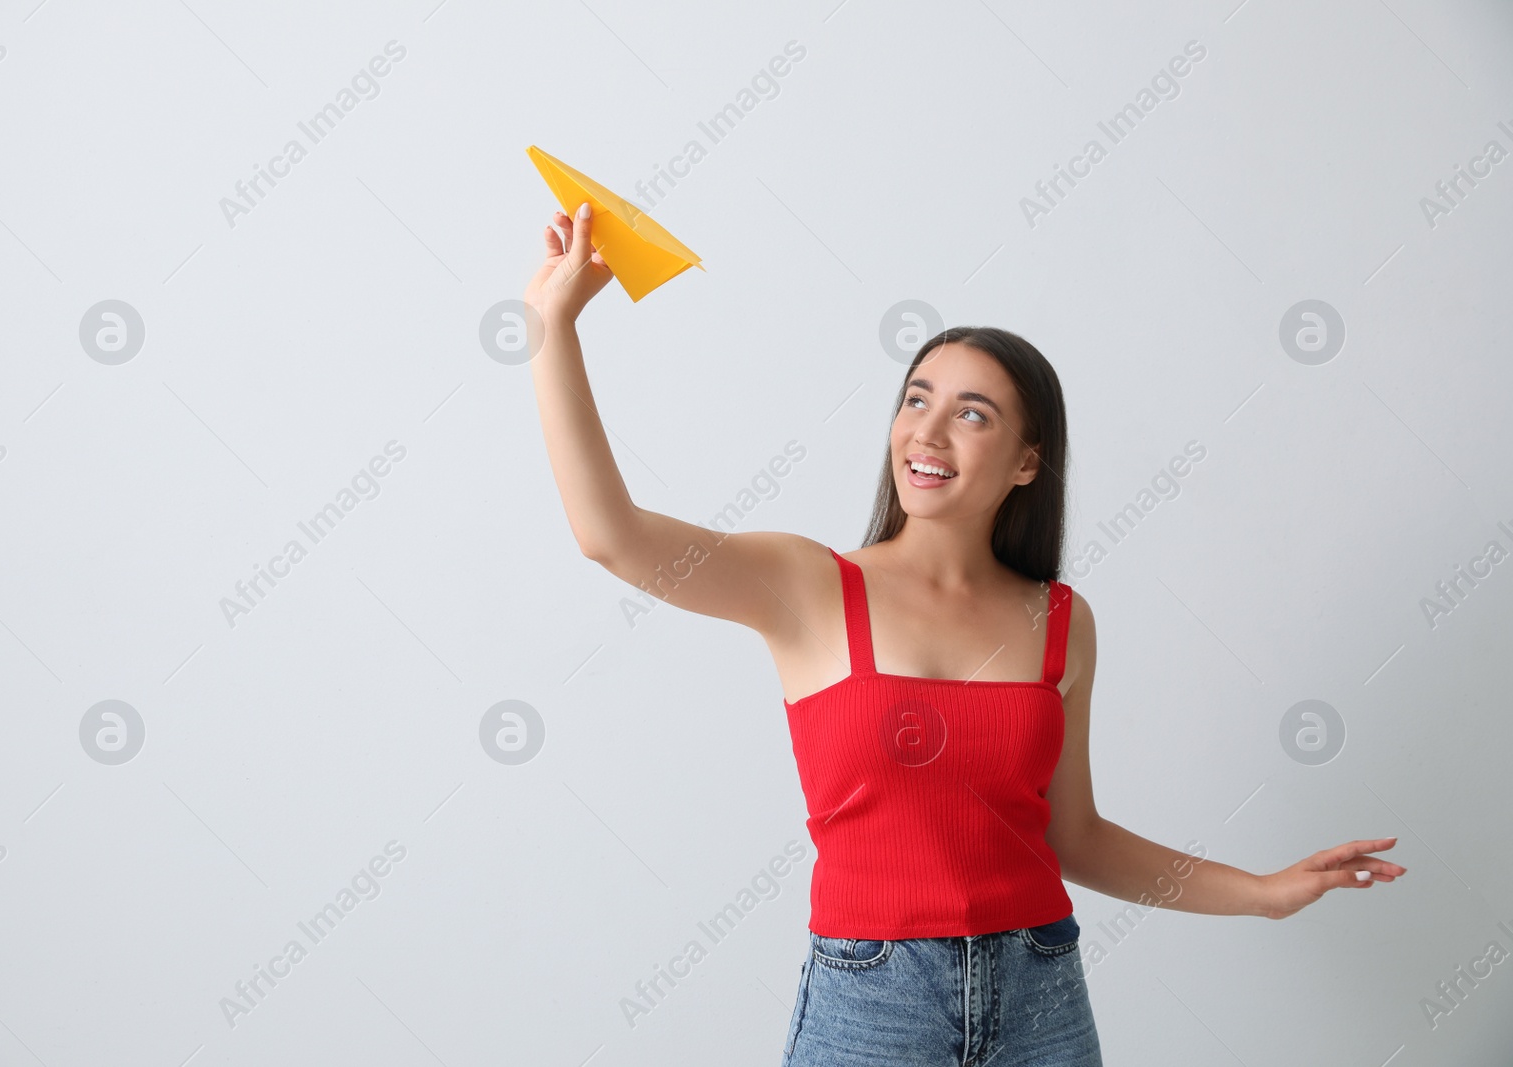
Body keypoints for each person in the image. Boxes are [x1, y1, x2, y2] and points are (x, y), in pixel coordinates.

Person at [522, 201, 1408, 1066]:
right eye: (917, 399)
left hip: (1042, 994)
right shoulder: (807, 585)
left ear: (1029, 461)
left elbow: (1076, 838)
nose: (928, 430)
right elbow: (612, 536)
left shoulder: (1061, 622)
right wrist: (552, 324)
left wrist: (1262, 894)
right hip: (870, 1001)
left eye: (973, 412)